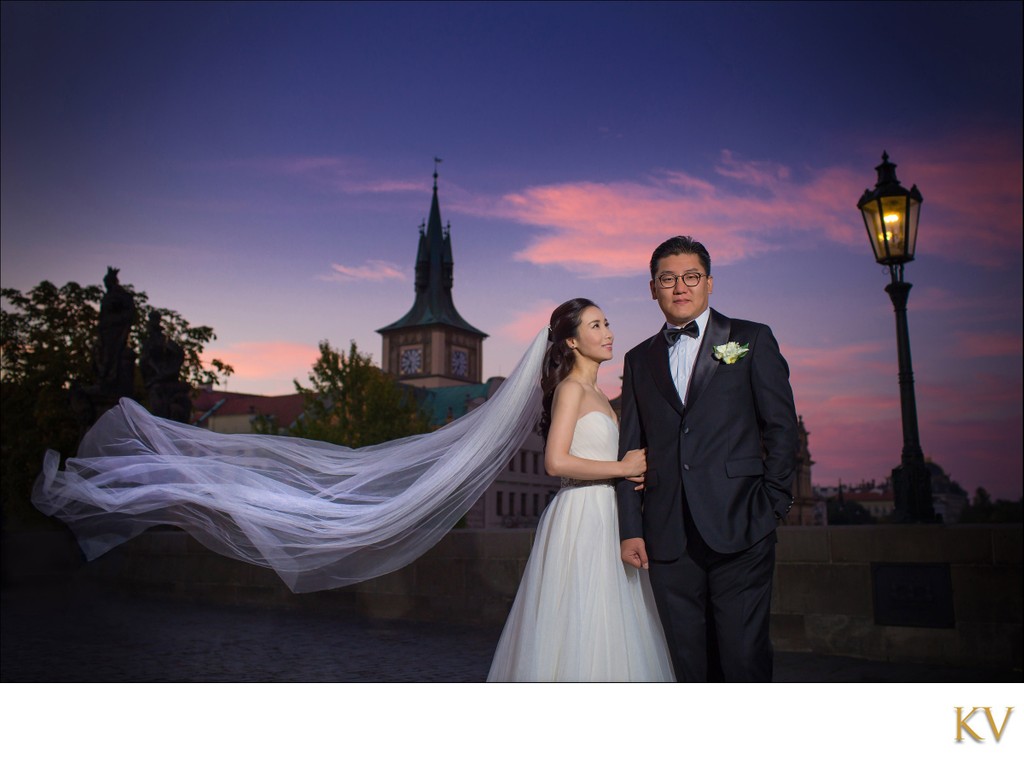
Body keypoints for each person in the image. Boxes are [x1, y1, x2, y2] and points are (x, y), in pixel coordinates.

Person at [617, 236, 799, 682]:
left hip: (743, 524)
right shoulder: (638, 359)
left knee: (742, 656)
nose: (680, 287)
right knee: (686, 662)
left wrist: (773, 502)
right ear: (652, 288)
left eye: (691, 277)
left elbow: (781, 426)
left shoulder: (752, 338)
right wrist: (630, 529)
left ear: (709, 283)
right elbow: (630, 450)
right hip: (667, 535)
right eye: (668, 278)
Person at [488, 298, 674, 682]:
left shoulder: (600, 394)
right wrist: (621, 467)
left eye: (607, 323)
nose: (608, 333)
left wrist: (631, 474)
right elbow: (555, 462)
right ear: (571, 342)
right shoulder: (571, 389)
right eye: (595, 326)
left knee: (612, 616)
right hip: (583, 512)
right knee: (583, 616)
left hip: (607, 510)